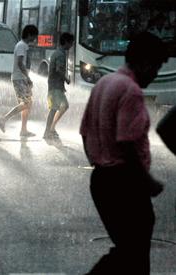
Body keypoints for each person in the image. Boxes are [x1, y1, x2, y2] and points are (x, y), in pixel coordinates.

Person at [80, 32, 167, 275]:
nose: (156, 74)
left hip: (102, 180)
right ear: (144, 62)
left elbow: (85, 132)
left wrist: (100, 163)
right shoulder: (131, 91)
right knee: (133, 252)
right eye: (157, 67)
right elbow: (127, 144)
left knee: (129, 250)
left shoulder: (104, 83)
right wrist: (146, 181)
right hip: (124, 183)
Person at [0, 25, 39, 137]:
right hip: (19, 78)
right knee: (26, 103)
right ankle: (3, 119)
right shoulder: (21, 46)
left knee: (27, 104)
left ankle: (23, 130)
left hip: (22, 78)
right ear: (29, 34)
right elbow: (20, 63)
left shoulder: (23, 46)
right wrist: (27, 77)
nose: (35, 39)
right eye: (34, 36)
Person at [43, 32, 74, 140]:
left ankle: (50, 129)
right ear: (65, 42)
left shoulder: (57, 53)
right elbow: (58, 69)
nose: (71, 45)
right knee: (58, 107)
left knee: (58, 107)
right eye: (71, 43)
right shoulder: (60, 54)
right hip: (55, 86)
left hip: (55, 85)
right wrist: (66, 79)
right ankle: (48, 131)